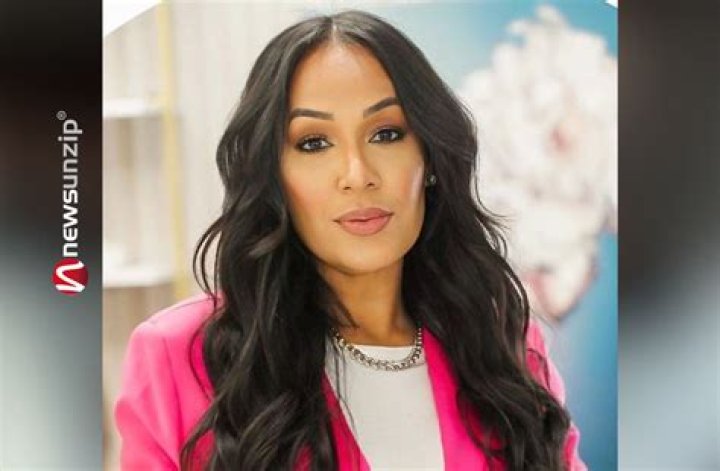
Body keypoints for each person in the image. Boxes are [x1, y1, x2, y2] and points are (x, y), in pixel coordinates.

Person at [115, 9, 587, 471]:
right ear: (273, 176)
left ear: (430, 158)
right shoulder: (179, 357)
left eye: (387, 133)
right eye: (314, 143)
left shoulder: (503, 343)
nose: (357, 175)